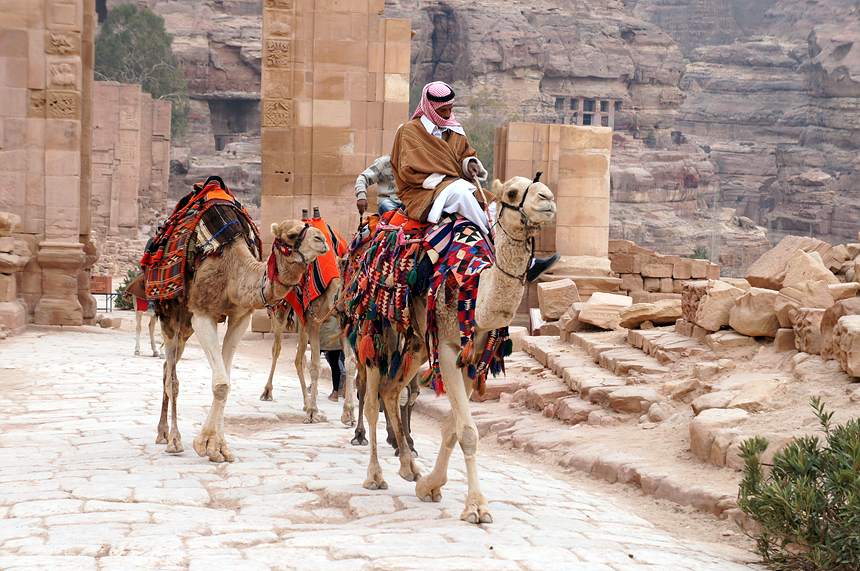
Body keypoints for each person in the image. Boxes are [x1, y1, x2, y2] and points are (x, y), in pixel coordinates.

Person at [391, 80, 559, 283]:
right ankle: (494, 239)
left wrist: (470, 164)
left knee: (496, 204)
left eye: (450, 109)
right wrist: (443, 178)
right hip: (424, 190)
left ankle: (526, 260)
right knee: (462, 194)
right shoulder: (410, 131)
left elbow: (465, 155)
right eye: (443, 111)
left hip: (454, 184)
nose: (447, 115)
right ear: (429, 108)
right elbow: (407, 169)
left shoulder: (454, 129)